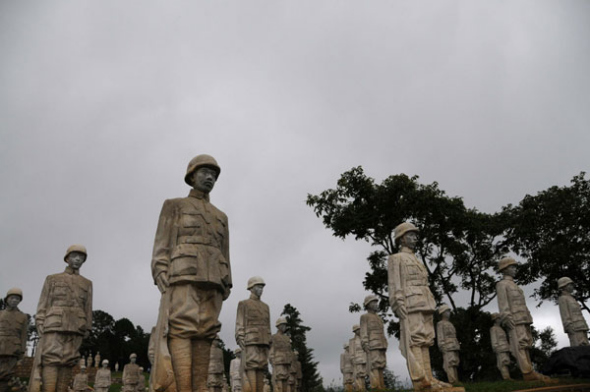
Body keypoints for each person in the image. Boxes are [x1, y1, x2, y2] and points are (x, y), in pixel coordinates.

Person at [151, 154, 231, 392]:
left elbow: (225, 251)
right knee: (182, 328)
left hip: (214, 279)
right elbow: (162, 243)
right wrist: (160, 269)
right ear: (192, 176)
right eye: (205, 173)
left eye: (214, 175)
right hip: (183, 275)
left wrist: (227, 282)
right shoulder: (174, 205)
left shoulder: (221, 216)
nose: (210, 178)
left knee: (206, 333)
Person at [388, 223, 450, 390]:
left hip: (425, 302)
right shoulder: (396, 258)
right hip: (410, 303)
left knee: (426, 340)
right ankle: (421, 381)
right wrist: (397, 303)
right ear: (402, 238)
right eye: (411, 234)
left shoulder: (416, 259)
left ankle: (430, 378)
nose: (415, 238)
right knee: (415, 340)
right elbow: (395, 284)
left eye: (416, 235)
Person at [30, 245, 93, 392]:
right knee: (51, 360)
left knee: (68, 361)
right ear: (67, 258)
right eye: (74, 256)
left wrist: (88, 327)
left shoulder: (87, 283)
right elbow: (43, 303)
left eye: (81, 257)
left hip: (77, 327)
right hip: (53, 325)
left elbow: (88, 307)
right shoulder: (52, 279)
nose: (78, 259)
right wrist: (40, 322)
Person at [496, 257, 550, 381]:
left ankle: (529, 370)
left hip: (523, 318)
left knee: (525, 344)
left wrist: (528, 318)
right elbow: (503, 304)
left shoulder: (515, 286)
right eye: (512, 267)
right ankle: (527, 371)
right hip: (514, 319)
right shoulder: (502, 285)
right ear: (504, 269)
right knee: (519, 345)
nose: (515, 269)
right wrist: (506, 317)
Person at [235, 277, 270, 392]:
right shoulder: (244, 304)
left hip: (264, 342)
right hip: (250, 341)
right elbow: (240, 323)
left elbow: (268, 325)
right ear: (251, 288)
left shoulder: (266, 307)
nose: (261, 289)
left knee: (261, 367)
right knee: (251, 367)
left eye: (262, 287)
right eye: (258, 287)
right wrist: (240, 338)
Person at [0, 288, 28, 392]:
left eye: (17, 299)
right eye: (12, 298)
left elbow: (24, 336)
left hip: (13, 349)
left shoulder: (23, 317)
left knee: (7, 374)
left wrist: (22, 352)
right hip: (0, 345)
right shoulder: (0, 314)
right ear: (7, 299)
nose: (14, 300)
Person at [360, 295, 387, 389]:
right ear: (368, 305)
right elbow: (363, 331)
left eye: (376, 302)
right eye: (373, 302)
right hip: (372, 344)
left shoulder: (379, 318)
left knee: (381, 365)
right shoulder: (364, 317)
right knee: (374, 365)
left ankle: (382, 386)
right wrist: (365, 344)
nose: (376, 304)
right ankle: (376, 386)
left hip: (381, 344)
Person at [557, 277, 589, 347]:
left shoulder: (572, 299)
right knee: (578, 348)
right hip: (574, 328)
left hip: (582, 326)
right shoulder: (563, 299)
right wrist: (569, 327)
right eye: (569, 284)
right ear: (564, 286)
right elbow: (565, 315)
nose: (572, 286)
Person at [436, 304, 460, 384]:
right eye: (447, 311)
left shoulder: (450, 323)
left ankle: (456, 380)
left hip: (454, 345)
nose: (449, 313)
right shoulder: (440, 324)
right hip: (447, 346)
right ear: (442, 313)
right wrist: (442, 346)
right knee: (449, 363)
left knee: (455, 363)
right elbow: (440, 336)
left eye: (449, 311)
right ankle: (452, 380)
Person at [269, 317, 292, 392]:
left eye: (285, 325)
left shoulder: (287, 338)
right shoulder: (274, 337)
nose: (284, 327)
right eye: (282, 325)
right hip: (278, 362)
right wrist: (272, 361)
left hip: (287, 362)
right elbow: (271, 350)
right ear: (278, 326)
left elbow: (289, 350)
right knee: (279, 381)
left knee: (286, 380)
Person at [490, 313, 512, 380]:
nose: (500, 320)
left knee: (506, 362)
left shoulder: (500, 329)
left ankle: (508, 377)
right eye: (499, 318)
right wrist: (496, 347)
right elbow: (494, 339)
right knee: (502, 363)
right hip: (500, 348)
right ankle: (506, 377)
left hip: (505, 347)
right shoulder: (493, 329)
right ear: (496, 320)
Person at [349, 325, 367, 392]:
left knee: (363, 374)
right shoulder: (352, 341)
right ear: (355, 331)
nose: (359, 331)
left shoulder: (364, 339)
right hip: (357, 359)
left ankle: (363, 388)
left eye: (360, 329)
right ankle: (359, 388)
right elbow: (351, 352)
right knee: (358, 374)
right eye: (358, 330)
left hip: (364, 359)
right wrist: (352, 359)